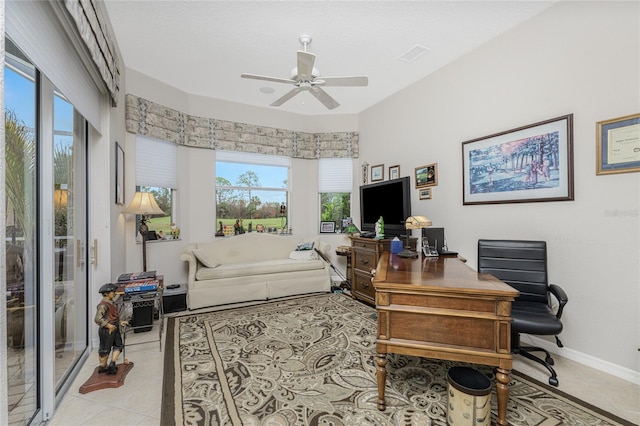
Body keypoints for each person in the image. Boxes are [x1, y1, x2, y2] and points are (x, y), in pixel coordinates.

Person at [95, 283, 129, 375]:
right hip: (107, 330)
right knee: (105, 349)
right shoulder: (103, 305)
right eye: (112, 292)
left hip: (115, 328)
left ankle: (112, 364)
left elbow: (112, 316)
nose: (114, 293)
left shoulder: (111, 303)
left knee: (118, 345)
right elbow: (98, 318)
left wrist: (119, 322)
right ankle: (103, 366)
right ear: (106, 293)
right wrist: (108, 325)